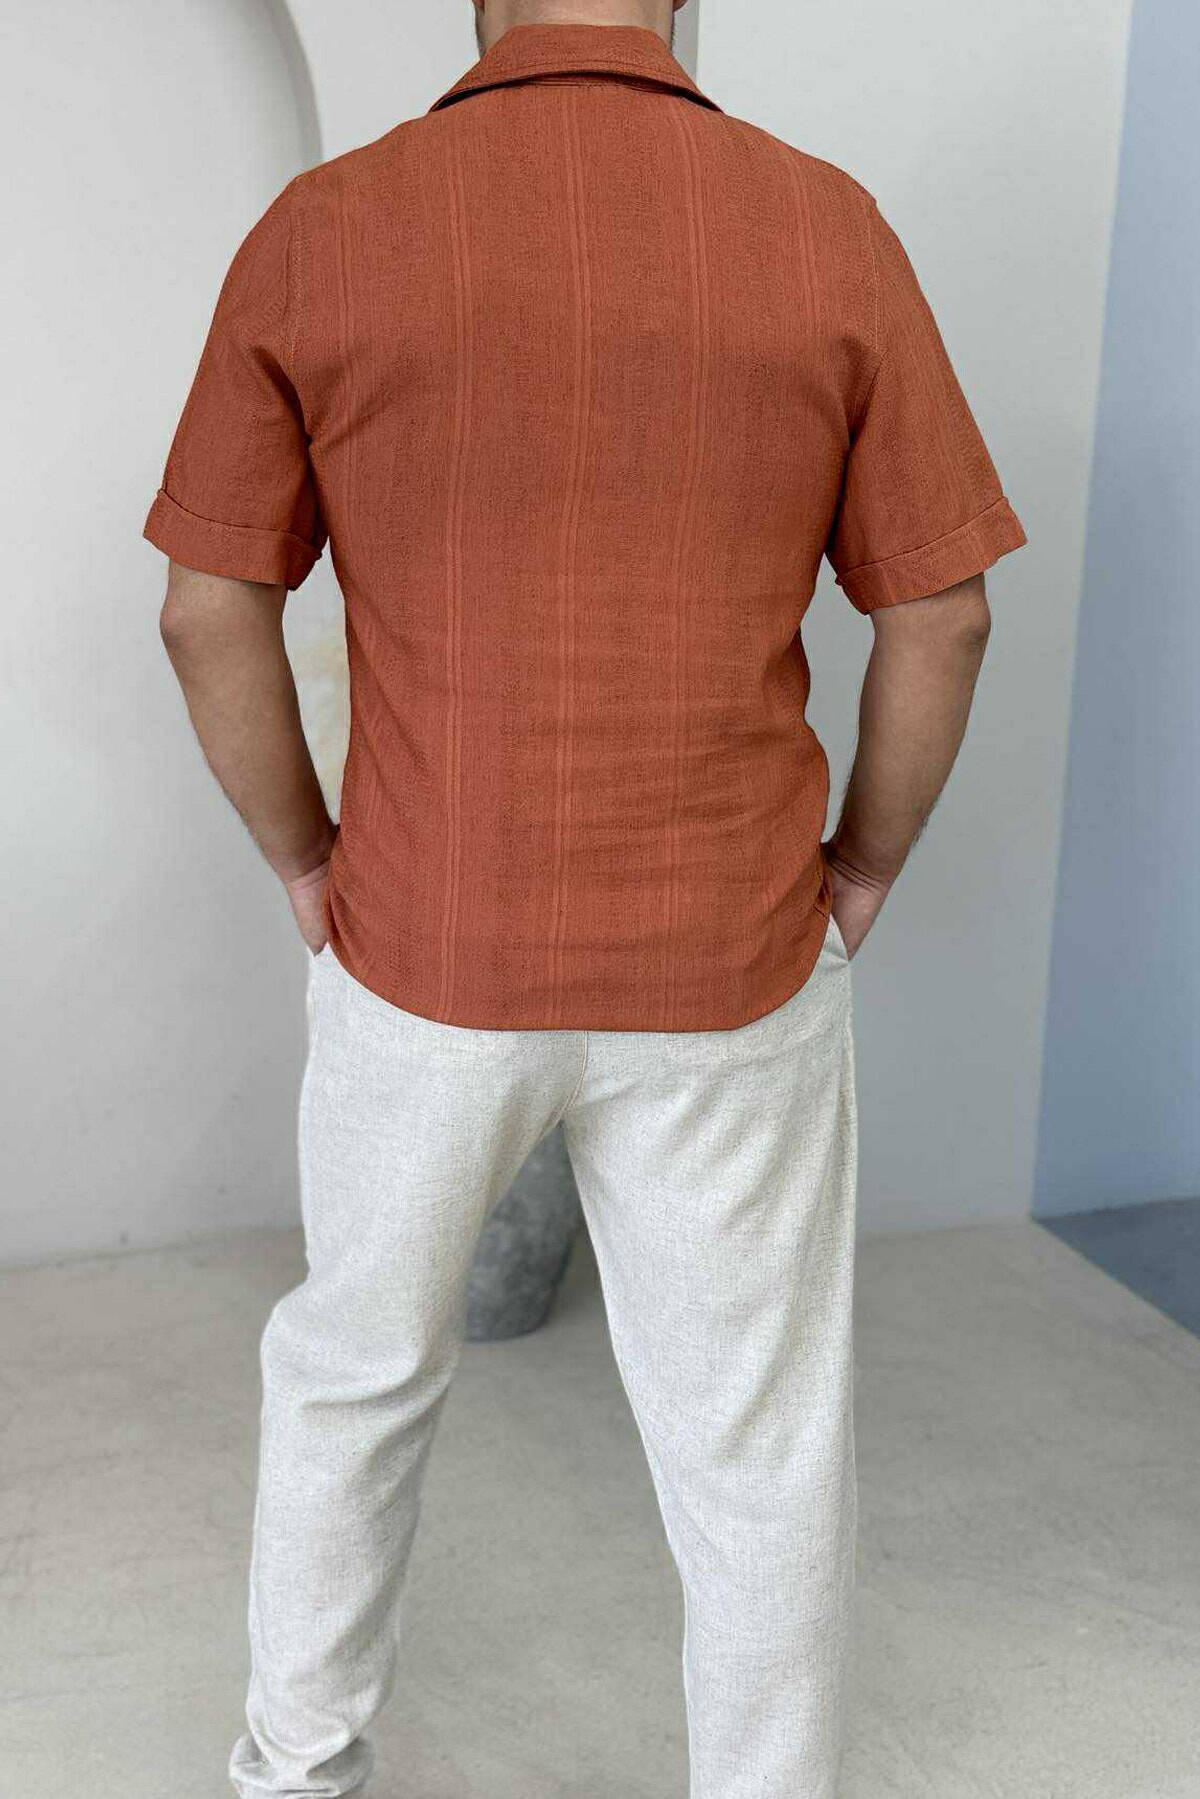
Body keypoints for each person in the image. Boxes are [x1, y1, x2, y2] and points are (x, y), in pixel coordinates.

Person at [145, 0, 1025, 1792]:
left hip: (424, 943)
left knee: (352, 1382)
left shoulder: (329, 227)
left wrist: (309, 856)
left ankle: (294, 1776)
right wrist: (862, 866)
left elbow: (204, 606)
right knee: (755, 1453)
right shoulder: (824, 226)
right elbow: (941, 614)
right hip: (733, 955)